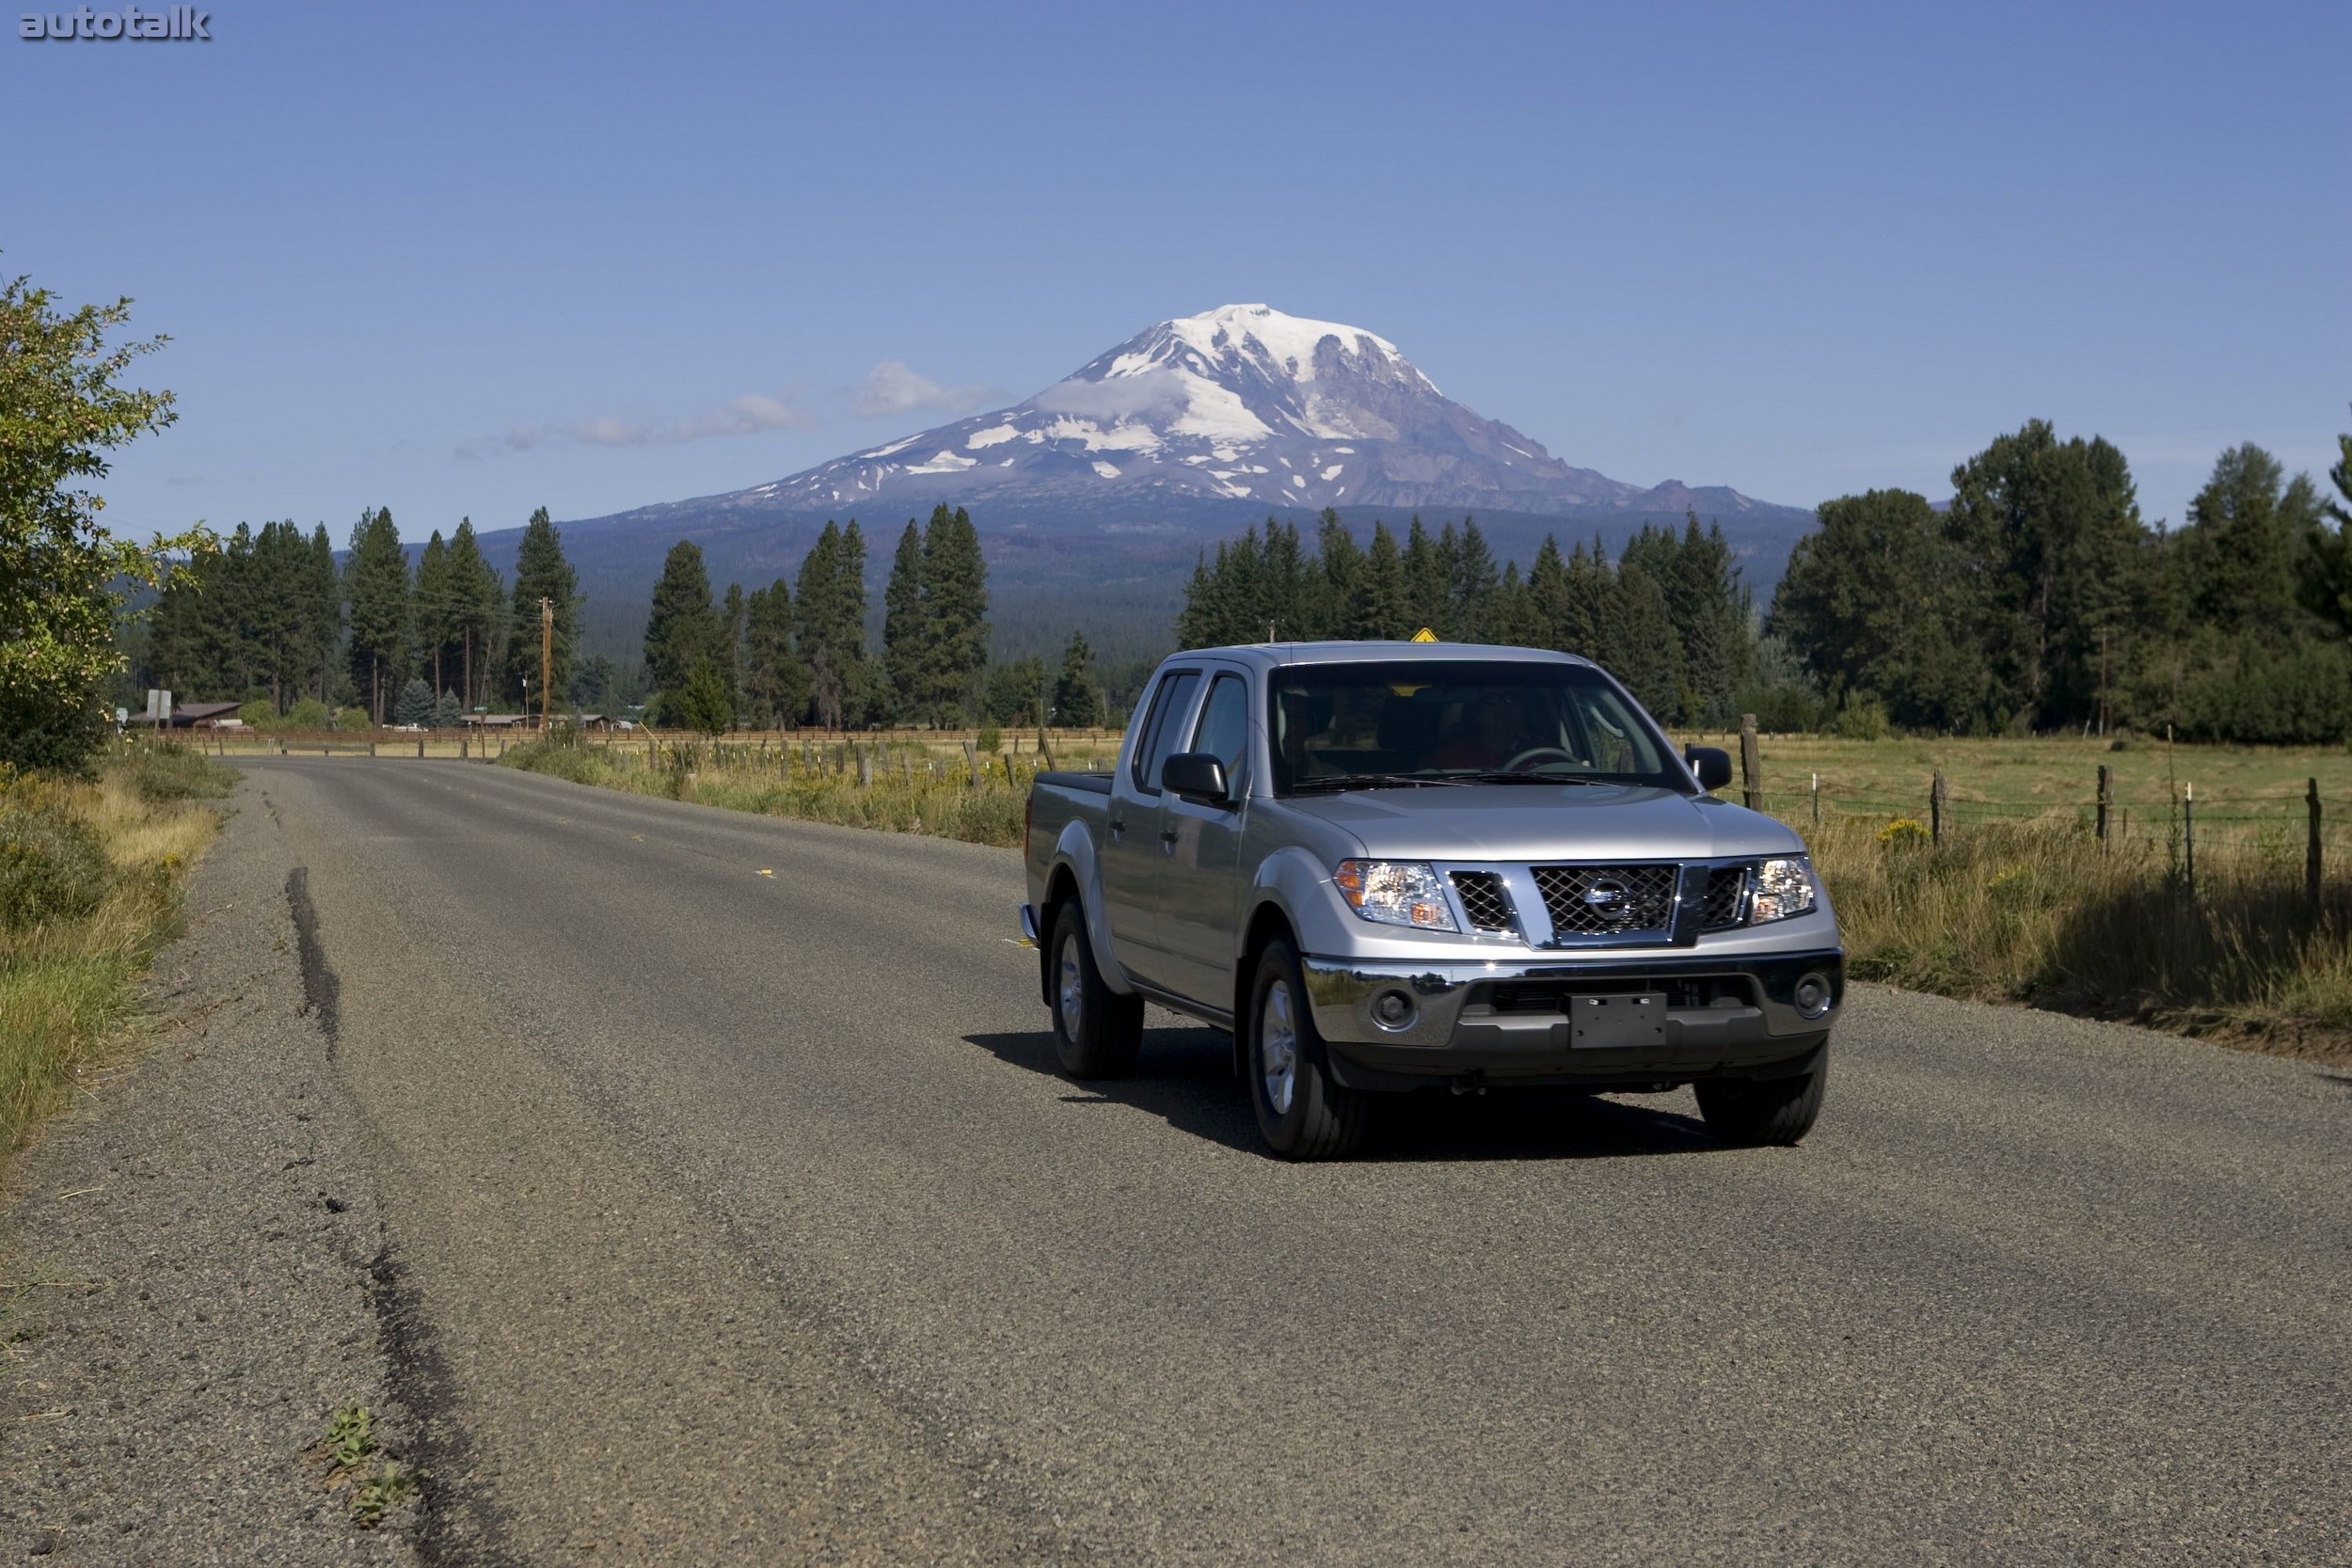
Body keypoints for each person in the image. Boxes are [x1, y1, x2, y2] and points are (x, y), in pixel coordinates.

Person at [1430, 690, 1537, 770]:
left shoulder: (1544, 755)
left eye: (1512, 698)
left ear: (1522, 709)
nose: (1503, 707)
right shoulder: (1451, 756)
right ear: (1477, 712)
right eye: (1491, 699)